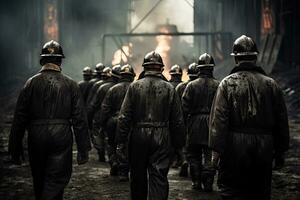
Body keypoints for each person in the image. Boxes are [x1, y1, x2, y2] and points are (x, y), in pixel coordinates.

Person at [209, 35, 290, 200]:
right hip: (264, 145)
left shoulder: (227, 84)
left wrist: (216, 151)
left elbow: (220, 120)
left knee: (232, 190)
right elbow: (281, 120)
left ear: (236, 59)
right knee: (260, 191)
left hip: (234, 145)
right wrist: (281, 150)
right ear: (255, 57)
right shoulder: (271, 84)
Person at [8, 40, 91, 200]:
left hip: (36, 135)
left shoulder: (30, 83)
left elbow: (19, 118)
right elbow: (80, 118)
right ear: (60, 61)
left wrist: (14, 147)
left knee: (39, 178)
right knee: (56, 179)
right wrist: (83, 149)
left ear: (42, 60)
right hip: (61, 135)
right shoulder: (71, 84)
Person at [117, 51, 185, 200]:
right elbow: (178, 121)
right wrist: (179, 147)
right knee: (159, 176)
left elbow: (124, 117)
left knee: (138, 176)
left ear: (144, 68)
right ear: (161, 69)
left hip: (138, 136)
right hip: (162, 136)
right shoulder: (169, 89)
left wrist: (121, 142)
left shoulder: (135, 87)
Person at [182, 53, 219, 191]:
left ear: (199, 68)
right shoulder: (219, 85)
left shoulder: (191, 86)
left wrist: (185, 126)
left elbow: (184, 108)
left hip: (194, 124)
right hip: (212, 123)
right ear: (212, 68)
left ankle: (196, 182)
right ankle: (208, 182)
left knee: (193, 154)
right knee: (209, 154)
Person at [99, 64, 135, 181]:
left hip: (113, 121)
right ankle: (124, 171)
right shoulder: (136, 88)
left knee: (111, 143)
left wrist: (102, 124)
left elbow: (105, 109)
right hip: (129, 122)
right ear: (132, 76)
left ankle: (114, 161)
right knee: (126, 145)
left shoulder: (113, 89)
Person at [88, 65, 121, 163]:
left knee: (105, 137)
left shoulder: (102, 87)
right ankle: (117, 160)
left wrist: (91, 117)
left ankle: (104, 156)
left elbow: (94, 103)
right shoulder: (126, 87)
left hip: (104, 116)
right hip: (120, 118)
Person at [175, 62, 199, 177]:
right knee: (200, 148)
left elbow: (177, 105)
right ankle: (205, 175)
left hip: (184, 118)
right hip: (201, 120)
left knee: (183, 143)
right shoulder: (213, 84)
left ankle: (184, 160)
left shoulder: (181, 87)